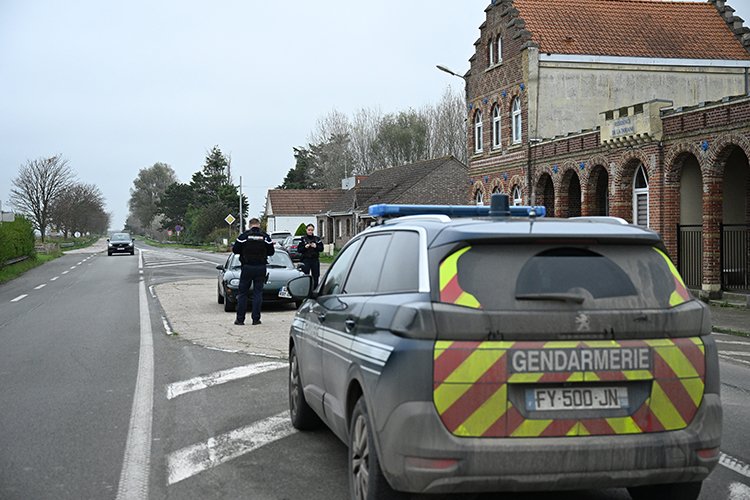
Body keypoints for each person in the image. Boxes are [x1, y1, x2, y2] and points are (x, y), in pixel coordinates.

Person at [232, 218, 274, 326]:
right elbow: (271, 252)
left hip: (247, 267)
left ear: (250, 225)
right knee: (258, 293)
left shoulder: (244, 236)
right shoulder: (265, 236)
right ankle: (256, 319)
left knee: (242, 294)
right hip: (260, 267)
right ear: (259, 225)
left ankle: (240, 319)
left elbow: (235, 250)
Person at [297, 223, 323, 289]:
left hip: (315, 260)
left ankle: (315, 289)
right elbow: (299, 250)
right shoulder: (303, 239)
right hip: (306, 260)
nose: (310, 231)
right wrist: (305, 247)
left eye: (311, 230)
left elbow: (321, 249)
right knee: (305, 275)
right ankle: (305, 289)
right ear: (306, 230)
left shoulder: (317, 239)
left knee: (316, 276)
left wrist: (316, 246)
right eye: (309, 230)